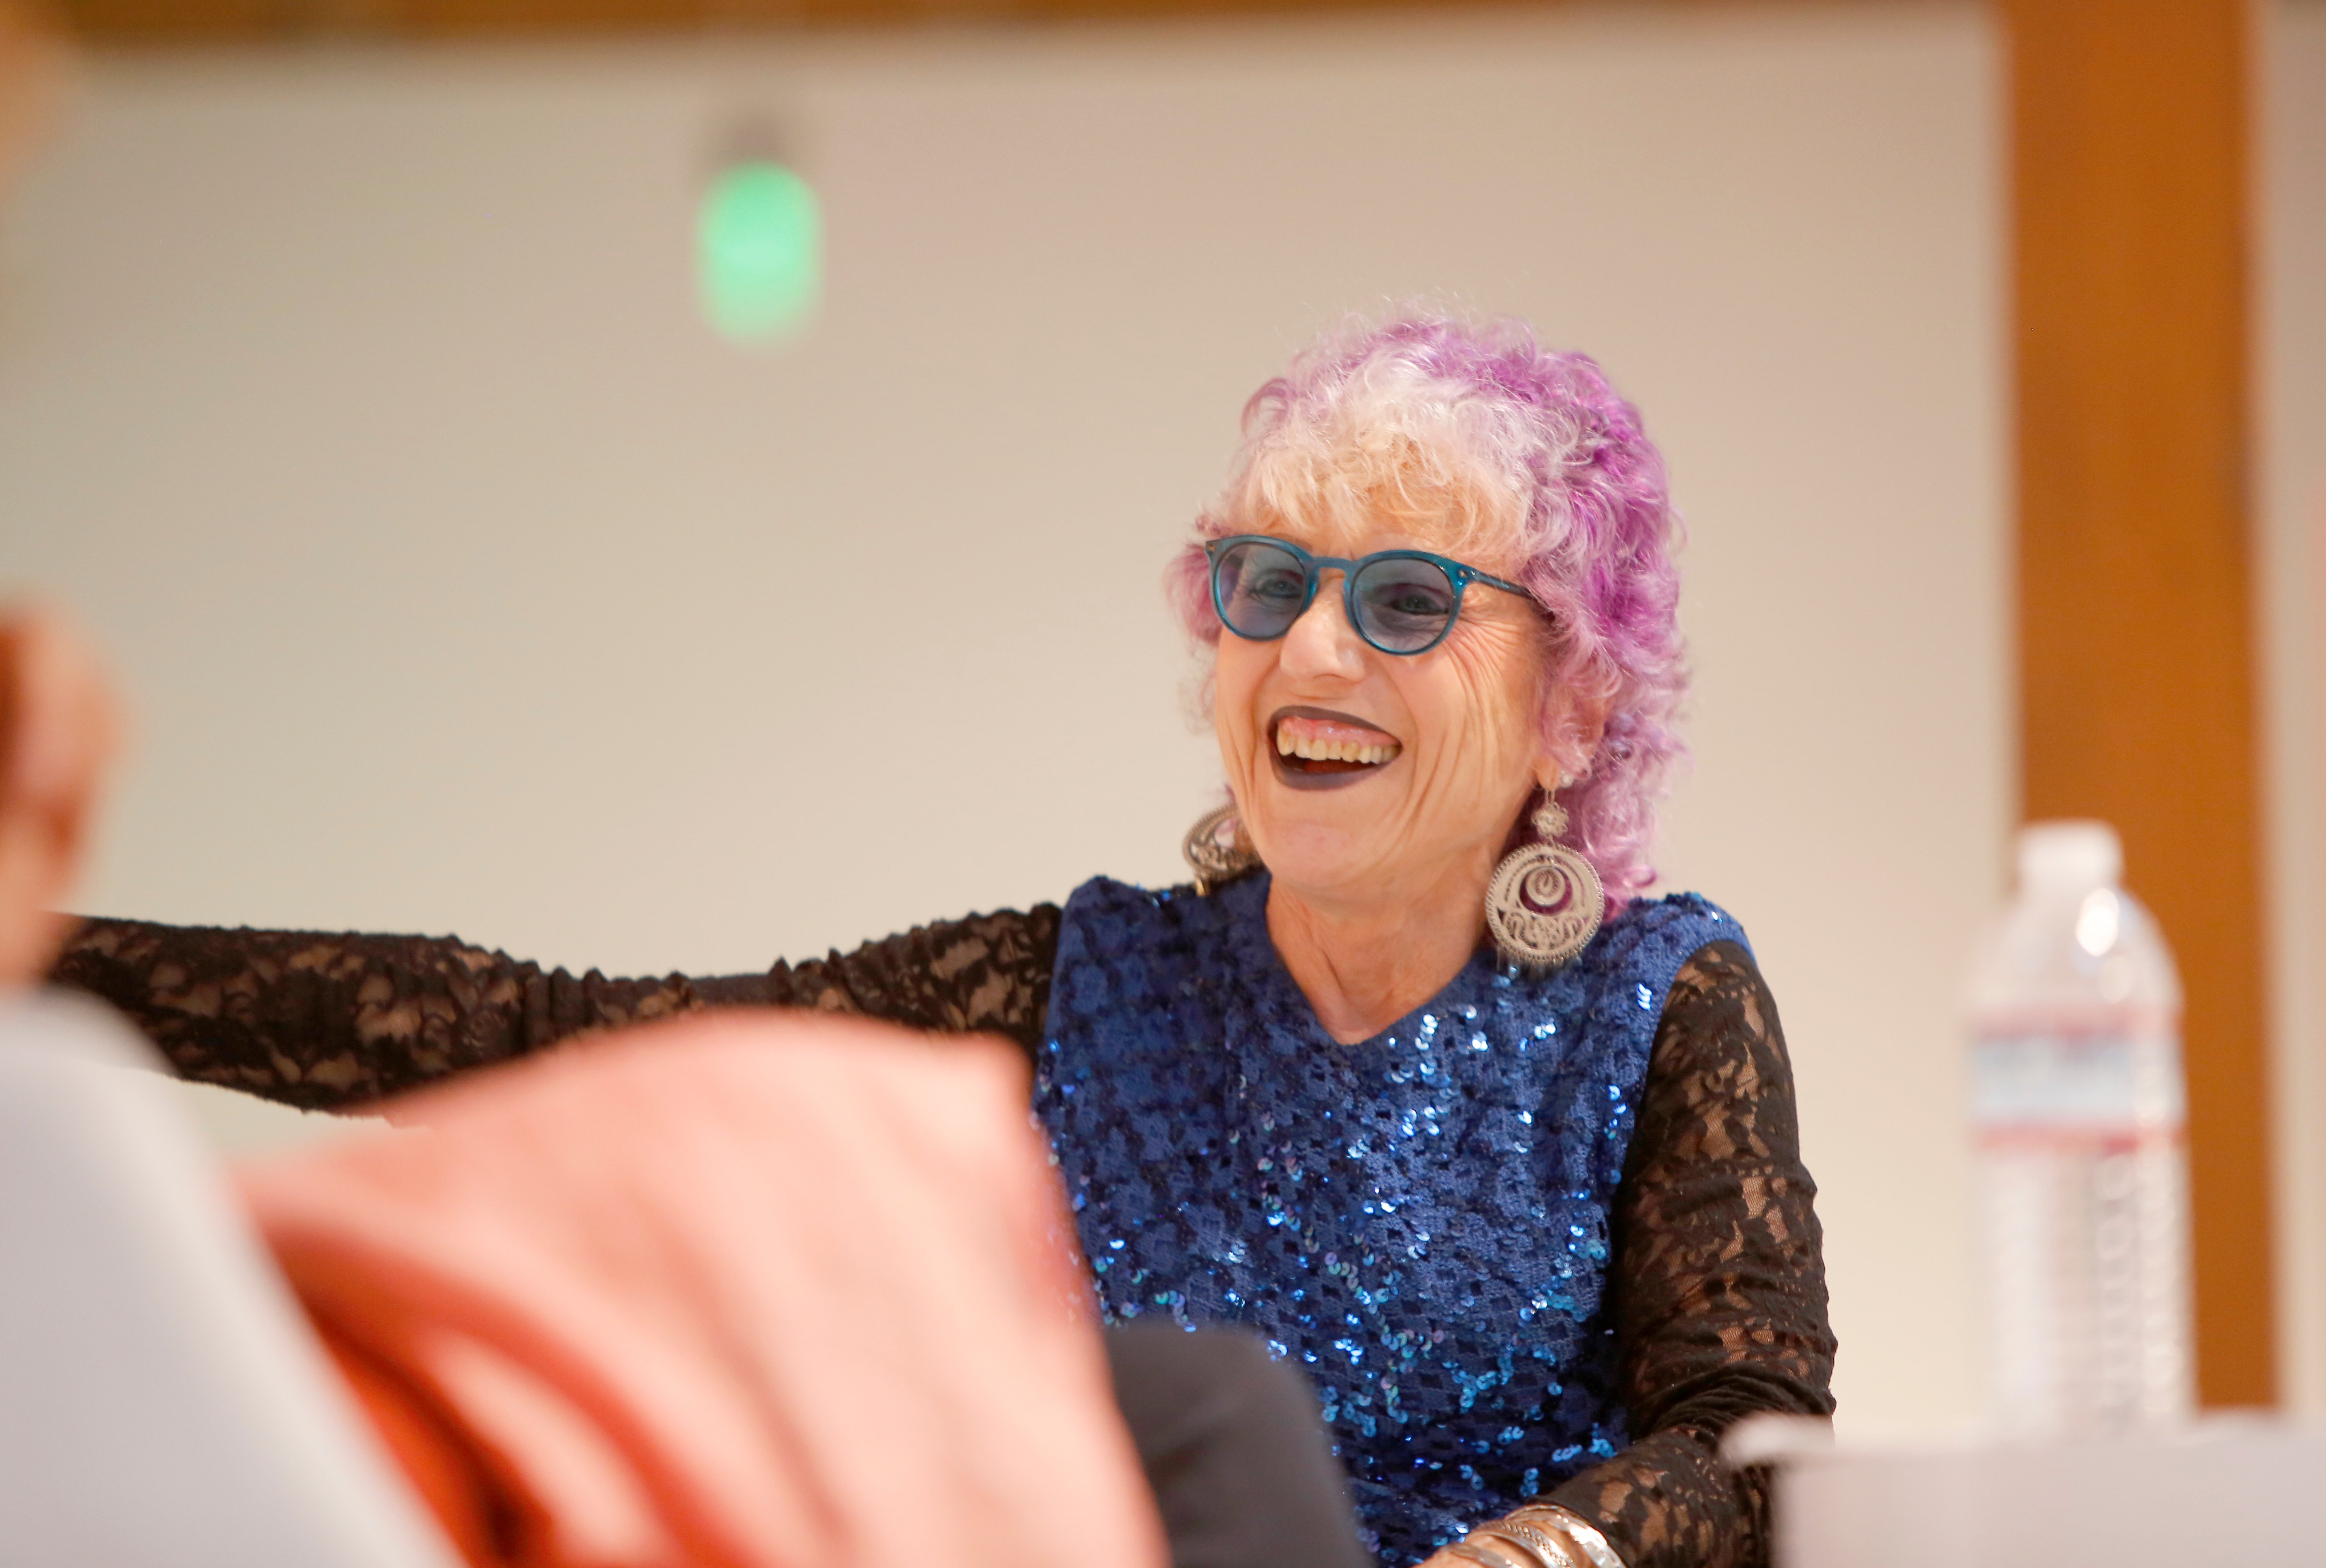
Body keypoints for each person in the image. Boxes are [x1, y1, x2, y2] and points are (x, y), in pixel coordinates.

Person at [59, 311, 1837, 1568]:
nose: (1309, 655)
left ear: (1575, 701)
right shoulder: (1077, 987)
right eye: (1265, 586)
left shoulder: (1656, 996)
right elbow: (565, 1034)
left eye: (1402, 601)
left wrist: (1537, 1557)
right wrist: (44, 956)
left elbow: (1751, 1447)